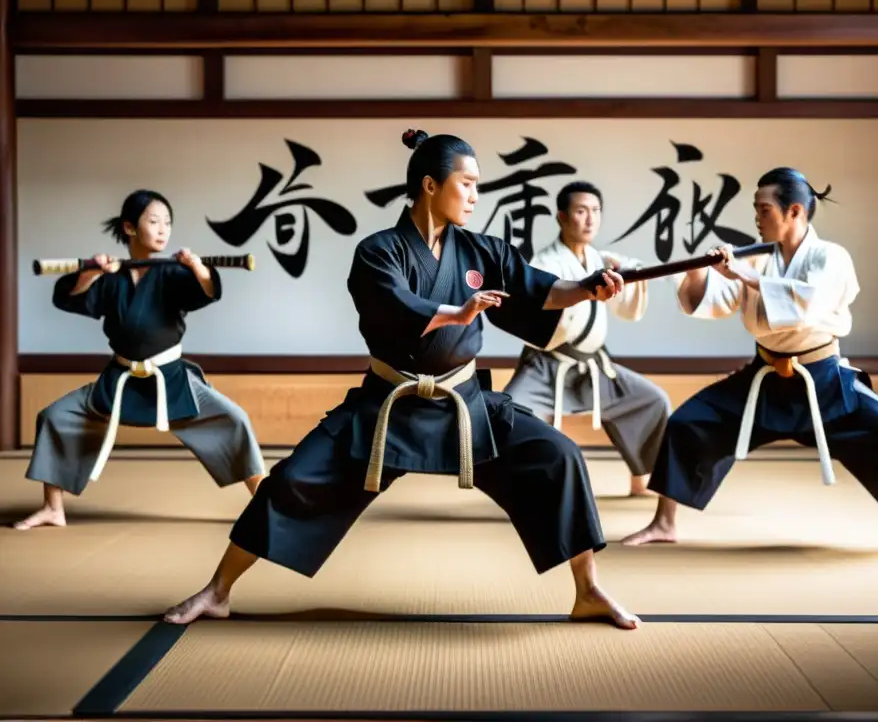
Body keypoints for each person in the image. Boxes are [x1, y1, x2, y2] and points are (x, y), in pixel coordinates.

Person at [163, 129, 641, 630]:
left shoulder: (483, 251)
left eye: (480, 185)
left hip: (465, 404)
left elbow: (541, 292)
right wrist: (455, 313)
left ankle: (588, 591)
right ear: (430, 185)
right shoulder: (378, 251)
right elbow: (394, 308)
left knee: (559, 457)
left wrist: (588, 289)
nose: (477, 195)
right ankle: (217, 591)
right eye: (468, 183)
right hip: (389, 404)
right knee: (293, 481)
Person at [621, 167, 878, 556]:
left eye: (765, 209)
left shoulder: (830, 257)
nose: (757, 217)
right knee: (688, 423)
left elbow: (806, 304)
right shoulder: (755, 259)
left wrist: (738, 271)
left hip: (823, 380)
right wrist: (699, 272)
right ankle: (664, 522)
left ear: (795, 213)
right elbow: (714, 302)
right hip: (765, 376)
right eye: (755, 209)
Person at [13, 190, 266, 531]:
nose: (163, 229)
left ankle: (267, 504)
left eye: (168, 222)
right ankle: (53, 508)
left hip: (171, 379)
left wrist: (197, 268)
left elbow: (207, 291)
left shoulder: (175, 273)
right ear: (130, 228)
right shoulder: (111, 277)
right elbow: (71, 298)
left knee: (234, 419)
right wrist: (91, 272)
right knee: (56, 417)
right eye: (153, 221)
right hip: (120, 379)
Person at [502, 181, 671, 496]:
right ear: (562, 217)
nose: (590, 218)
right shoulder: (544, 263)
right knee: (512, 414)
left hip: (595, 367)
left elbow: (627, 272)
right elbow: (540, 303)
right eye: (581, 211)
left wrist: (632, 272)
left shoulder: (598, 259)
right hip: (546, 367)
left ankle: (642, 478)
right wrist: (582, 290)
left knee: (652, 401)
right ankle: (527, 494)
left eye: (595, 211)